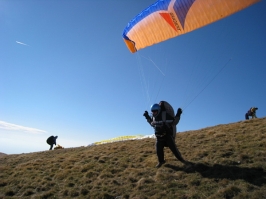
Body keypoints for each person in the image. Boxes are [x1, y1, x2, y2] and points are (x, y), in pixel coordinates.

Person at [143, 102, 191, 168]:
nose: (153, 113)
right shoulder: (154, 117)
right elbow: (152, 124)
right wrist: (147, 116)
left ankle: (181, 159)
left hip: (167, 136)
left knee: (174, 149)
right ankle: (161, 161)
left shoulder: (165, 115)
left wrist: (178, 114)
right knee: (158, 150)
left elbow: (174, 122)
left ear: (158, 110)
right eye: (152, 112)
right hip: (159, 137)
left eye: (155, 111)